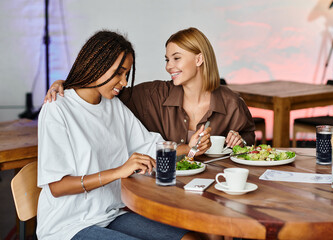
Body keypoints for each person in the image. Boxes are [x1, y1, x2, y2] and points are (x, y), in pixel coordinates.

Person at [37, 30, 201, 240]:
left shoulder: (114, 106)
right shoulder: (57, 109)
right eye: (118, 73)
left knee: (190, 238)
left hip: (111, 214)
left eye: (126, 74)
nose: (124, 82)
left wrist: (190, 146)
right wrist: (119, 171)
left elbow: (148, 146)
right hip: (68, 225)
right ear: (96, 65)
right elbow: (57, 186)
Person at [45, 27, 255, 155]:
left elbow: (248, 140)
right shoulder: (152, 95)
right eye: (167, 59)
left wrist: (240, 141)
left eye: (176, 58)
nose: (169, 66)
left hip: (214, 189)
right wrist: (68, 83)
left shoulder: (231, 102)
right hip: (164, 189)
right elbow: (105, 90)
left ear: (199, 59)